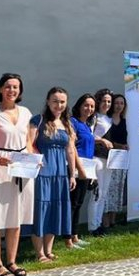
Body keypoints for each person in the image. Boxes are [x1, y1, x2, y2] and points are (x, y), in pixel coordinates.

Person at [0, 73, 35, 276]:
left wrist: (32, 159)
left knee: (16, 216)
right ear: (0, 89)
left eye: (16, 87)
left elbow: (28, 141)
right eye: (8, 86)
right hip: (0, 168)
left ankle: (12, 261)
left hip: (21, 168)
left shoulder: (25, 112)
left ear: (20, 91)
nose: (12, 90)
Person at [23, 87, 83, 261]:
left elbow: (70, 151)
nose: (59, 105)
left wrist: (72, 174)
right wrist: (34, 159)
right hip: (42, 172)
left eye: (62, 102)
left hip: (60, 173)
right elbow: (29, 143)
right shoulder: (38, 120)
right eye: (55, 101)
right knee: (41, 210)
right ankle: (39, 253)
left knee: (55, 209)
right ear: (48, 102)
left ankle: (49, 250)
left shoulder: (67, 123)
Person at [69, 93, 97, 249]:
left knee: (79, 203)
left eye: (92, 106)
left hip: (87, 169)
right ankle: (68, 238)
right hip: (77, 168)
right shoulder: (73, 122)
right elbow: (71, 147)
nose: (89, 108)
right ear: (79, 106)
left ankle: (75, 236)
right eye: (86, 105)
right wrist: (78, 169)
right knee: (73, 203)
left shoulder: (87, 125)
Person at [102, 94, 128, 227]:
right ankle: (105, 219)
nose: (119, 106)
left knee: (118, 187)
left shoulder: (124, 121)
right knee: (107, 189)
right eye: (117, 103)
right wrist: (118, 145)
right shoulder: (107, 120)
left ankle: (113, 219)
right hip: (108, 157)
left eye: (122, 103)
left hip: (121, 158)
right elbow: (106, 139)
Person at [90, 89, 113, 235]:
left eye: (109, 101)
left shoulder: (110, 119)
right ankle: (92, 227)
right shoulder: (94, 117)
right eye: (104, 101)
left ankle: (99, 224)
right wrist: (102, 140)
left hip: (109, 159)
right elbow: (89, 135)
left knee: (104, 194)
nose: (107, 104)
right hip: (97, 157)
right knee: (96, 194)